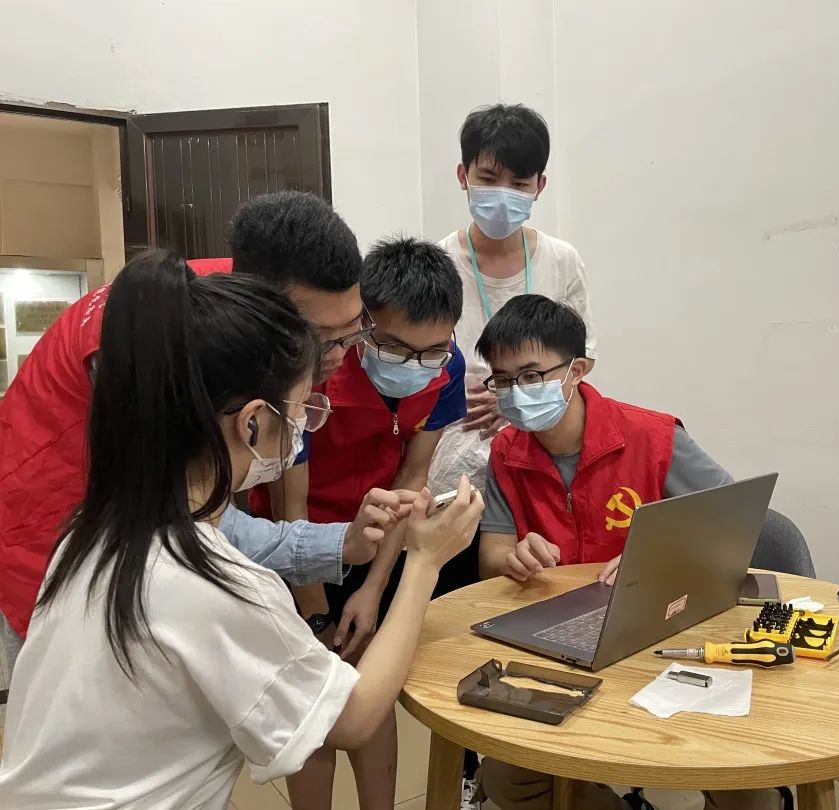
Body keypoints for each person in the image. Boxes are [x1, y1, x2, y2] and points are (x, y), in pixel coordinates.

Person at [0, 251, 484, 808]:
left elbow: (244, 535)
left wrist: (348, 541)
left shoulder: (94, 528)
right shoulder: (222, 587)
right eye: (302, 410)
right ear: (253, 422)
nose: (306, 424)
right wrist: (424, 562)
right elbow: (352, 719)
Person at [0, 190, 378, 690]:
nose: (336, 355)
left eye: (352, 331)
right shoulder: (170, 345)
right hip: (50, 531)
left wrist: (344, 542)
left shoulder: (245, 300)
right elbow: (198, 524)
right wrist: (356, 550)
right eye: (322, 338)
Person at [472, 295, 774, 810]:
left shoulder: (652, 437)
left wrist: (653, 556)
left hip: (663, 626)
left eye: (531, 376)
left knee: (743, 783)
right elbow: (492, 556)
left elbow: (729, 522)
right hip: (562, 636)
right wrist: (515, 557)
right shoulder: (507, 452)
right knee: (508, 779)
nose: (516, 393)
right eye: (502, 381)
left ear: (577, 370)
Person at [247, 237, 467, 810]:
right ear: (362, 323)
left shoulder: (447, 368)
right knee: (312, 705)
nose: (415, 365)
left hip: (375, 538)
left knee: (371, 688)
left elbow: (412, 478)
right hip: (294, 545)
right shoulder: (315, 373)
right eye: (394, 347)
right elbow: (292, 507)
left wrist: (373, 589)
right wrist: (317, 615)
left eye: (432, 351)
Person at [426, 102, 599, 807]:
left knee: (524, 607)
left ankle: (530, 758)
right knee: (454, 625)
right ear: (463, 174)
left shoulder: (561, 261)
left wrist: (513, 394)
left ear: (540, 186)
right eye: (490, 177)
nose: (503, 194)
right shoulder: (438, 263)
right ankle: (472, 767)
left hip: (532, 469)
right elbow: (413, 369)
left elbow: (576, 358)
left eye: (520, 183)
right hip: (450, 472)